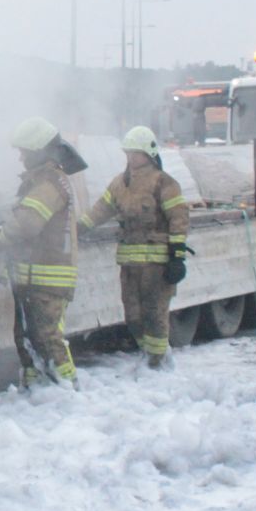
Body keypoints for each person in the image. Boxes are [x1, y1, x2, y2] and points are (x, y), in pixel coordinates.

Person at [79, 126, 190, 369]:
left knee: (154, 313)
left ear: (149, 153)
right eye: (128, 152)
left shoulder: (164, 182)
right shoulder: (119, 183)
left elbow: (178, 218)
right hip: (129, 264)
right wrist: (77, 229)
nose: (131, 158)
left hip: (156, 265)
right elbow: (100, 211)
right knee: (133, 316)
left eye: (136, 153)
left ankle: (158, 362)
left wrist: (177, 256)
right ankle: (148, 353)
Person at [0, 116, 84, 387]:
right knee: (27, 337)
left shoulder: (49, 183)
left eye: (24, 151)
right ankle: (38, 388)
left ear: (38, 151)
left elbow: (27, 224)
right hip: (35, 275)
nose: (21, 158)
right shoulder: (43, 180)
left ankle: (68, 388)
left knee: (48, 338)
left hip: (48, 277)